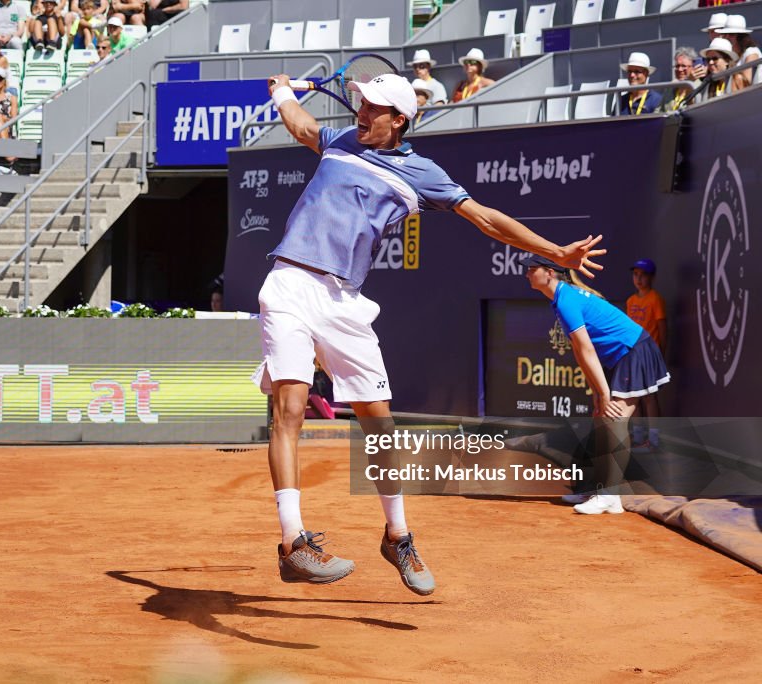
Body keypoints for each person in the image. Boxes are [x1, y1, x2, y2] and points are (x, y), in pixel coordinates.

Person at [261, 72, 606, 593]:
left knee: (378, 426)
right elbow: (303, 125)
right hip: (287, 282)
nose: (361, 111)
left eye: (373, 107)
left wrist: (555, 253)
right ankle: (292, 543)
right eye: (360, 102)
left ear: (399, 119)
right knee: (288, 410)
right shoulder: (339, 142)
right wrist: (283, 92)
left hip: (344, 303)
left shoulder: (422, 173)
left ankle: (396, 535)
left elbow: (486, 218)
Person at [520, 254, 669, 514]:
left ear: (550, 273)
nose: (527, 273)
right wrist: (597, 392)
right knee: (603, 417)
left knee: (616, 418)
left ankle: (611, 496)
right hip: (621, 355)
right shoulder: (562, 298)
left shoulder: (566, 299)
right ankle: (597, 488)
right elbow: (580, 351)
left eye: (532, 269)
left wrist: (604, 393)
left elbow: (587, 349)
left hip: (633, 350)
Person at [625, 258, 666, 452]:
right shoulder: (631, 301)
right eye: (635, 274)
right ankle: (639, 437)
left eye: (643, 275)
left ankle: (654, 440)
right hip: (633, 354)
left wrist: (661, 354)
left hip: (650, 354)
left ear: (652, 277)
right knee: (635, 396)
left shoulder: (655, 299)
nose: (638, 279)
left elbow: (662, 327)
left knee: (650, 397)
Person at [717, 15, 759, 90]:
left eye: (731, 34)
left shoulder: (751, 53)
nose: (727, 37)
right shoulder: (732, 54)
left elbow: (746, 83)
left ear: (741, 37)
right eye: (725, 34)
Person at [618, 51, 662, 116]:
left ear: (646, 74)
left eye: (637, 71)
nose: (632, 75)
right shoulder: (621, 101)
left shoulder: (656, 100)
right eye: (629, 71)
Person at [663, 47, 702, 112]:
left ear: (693, 67)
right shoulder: (670, 88)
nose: (680, 69)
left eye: (683, 66)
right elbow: (658, 112)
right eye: (677, 66)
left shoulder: (701, 87)